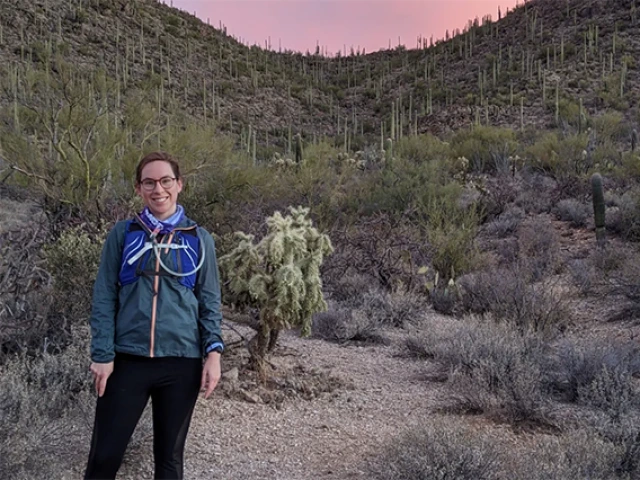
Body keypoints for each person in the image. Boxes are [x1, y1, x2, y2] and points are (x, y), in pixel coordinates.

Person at [85, 151, 224, 480]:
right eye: (149, 182)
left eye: (165, 181)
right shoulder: (123, 234)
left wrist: (213, 354)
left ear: (179, 185)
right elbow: (104, 295)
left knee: (170, 460)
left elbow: (209, 299)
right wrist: (102, 354)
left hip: (182, 361)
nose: (157, 189)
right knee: (104, 456)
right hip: (127, 361)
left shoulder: (198, 239)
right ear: (138, 188)